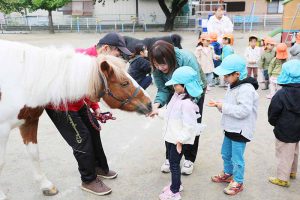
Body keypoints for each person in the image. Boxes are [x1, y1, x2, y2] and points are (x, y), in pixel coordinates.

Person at [45, 32, 132, 196]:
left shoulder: (97, 62)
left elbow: (88, 89)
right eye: (118, 53)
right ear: (106, 48)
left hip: (77, 101)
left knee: (94, 131)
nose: (119, 57)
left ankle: (99, 167)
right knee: (82, 139)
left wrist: (95, 107)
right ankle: (88, 180)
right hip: (61, 105)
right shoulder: (79, 59)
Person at [148, 40, 207, 175]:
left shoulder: (187, 58)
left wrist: (188, 105)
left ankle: (189, 158)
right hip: (172, 89)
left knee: (190, 124)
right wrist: (156, 106)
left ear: (171, 58)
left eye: (163, 64)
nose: (160, 68)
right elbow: (163, 89)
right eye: (156, 65)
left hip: (193, 88)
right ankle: (170, 157)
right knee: (172, 122)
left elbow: (195, 87)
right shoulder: (156, 67)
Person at [208, 54, 259, 195]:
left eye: (226, 75)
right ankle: (228, 173)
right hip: (230, 128)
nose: (224, 78)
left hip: (240, 130)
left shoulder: (246, 89)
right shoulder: (233, 85)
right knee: (226, 153)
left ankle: (238, 181)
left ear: (237, 74)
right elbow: (230, 105)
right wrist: (220, 105)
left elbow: (244, 111)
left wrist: (223, 106)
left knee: (237, 158)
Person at [158, 66, 204, 200]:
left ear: (185, 85)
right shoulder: (176, 96)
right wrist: (157, 112)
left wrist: (180, 140)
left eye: (176, 84)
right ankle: (176, 184)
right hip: (172, 137)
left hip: (178, 140)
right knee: (173, 163)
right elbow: (169, 114)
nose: (173, 86)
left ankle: (174, 191)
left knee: (174, 164)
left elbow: (189, 126)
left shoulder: (187, 104)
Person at [268, 59, 300, 187]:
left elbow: (273, 112)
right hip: (298, 129)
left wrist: (274, 123)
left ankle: (282, 178)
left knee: (284, 154)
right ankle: (292, 172)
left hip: (284, 129)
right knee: (295, 150)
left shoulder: (281, 94)